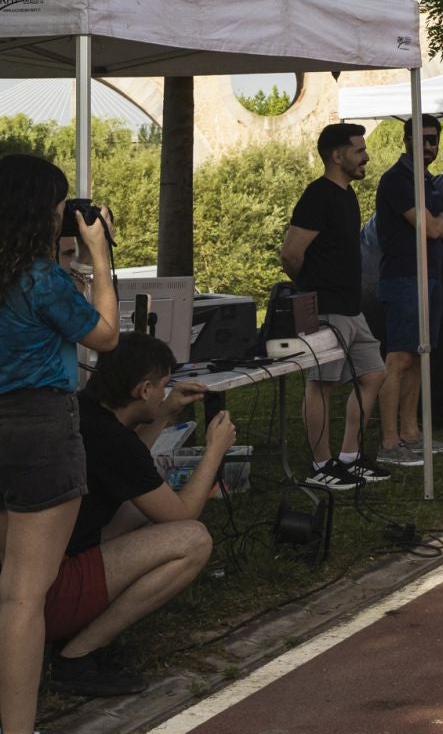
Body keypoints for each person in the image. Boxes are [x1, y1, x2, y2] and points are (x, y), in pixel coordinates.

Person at [30, 334, 230, 696]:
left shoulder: (85, 412)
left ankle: (72, 633)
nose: (165, 393)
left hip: (31, 570)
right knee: (193, 540)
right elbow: (182, 515)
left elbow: (127, 463)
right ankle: (77, 654)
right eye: (163, 386)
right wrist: (214, 451)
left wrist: (164, 411)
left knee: (142, 511)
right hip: (46, 592)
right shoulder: (112, 440)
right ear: (144, 390)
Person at [0, 155, 119, 734]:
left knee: (5, 584)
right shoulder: (39, 278)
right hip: (40, 428)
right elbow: (107, 336)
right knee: (23, 596)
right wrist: (100, 257)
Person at [281, 123, 389, 491]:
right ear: (337, 155)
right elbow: (291, 254)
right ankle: (321, 464)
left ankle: (349, 457)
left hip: (352, 308)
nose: (366, 157)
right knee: (321, 384)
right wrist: (311, 288)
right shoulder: (317, 196)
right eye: (359, 150)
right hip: (325, 309)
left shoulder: (347, 195)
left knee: (374, 374)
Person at [373, 118, 443, 468]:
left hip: (428, 277)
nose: (427, 146)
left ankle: (411, 434)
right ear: (407, 140)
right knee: (400, 358)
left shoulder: (427, 180)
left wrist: (437, 225)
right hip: (404, 278)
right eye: (421, 139)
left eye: (432, 140)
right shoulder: (396, 180)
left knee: (420, 355)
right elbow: (434, 228)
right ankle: (389, 442)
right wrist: (436, 225)